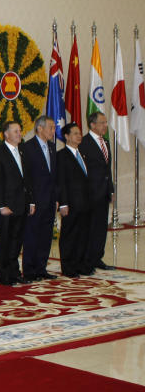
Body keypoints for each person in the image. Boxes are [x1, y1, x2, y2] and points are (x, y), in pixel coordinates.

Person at [0, 121, 35, 286]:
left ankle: (14, 272)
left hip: (22, 203)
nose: (19, 134)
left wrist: (31, 201)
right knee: (4, 241)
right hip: (7, 205)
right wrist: (1, 204)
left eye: (20, 131)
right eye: (15, 131)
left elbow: (27, 179)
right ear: (6, 134)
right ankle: (3, 275)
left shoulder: (22, 151)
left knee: (17, 241)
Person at [20, 116, 58, 281]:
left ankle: (41, 268)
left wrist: (56, 198)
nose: (53, 131)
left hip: (49, 200)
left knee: (46, 235)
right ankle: (29, 270)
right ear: (40, 129)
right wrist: (31, 200)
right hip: (35, 201)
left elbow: (54, 175)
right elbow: (27, 177)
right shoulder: (28, 148)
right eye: (50, 127)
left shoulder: (52, 147)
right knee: (32, 235)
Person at [79, 111, 115, 272]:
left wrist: (111, 190)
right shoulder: (84, 143)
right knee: (90, 227)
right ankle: (86, 259)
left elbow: (108, 169)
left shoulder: (105, 142)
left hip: (104, 192)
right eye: (102, 123)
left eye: (106, 122)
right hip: (91, 193)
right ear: (92, 125)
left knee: (101, 227)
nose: (105, 125)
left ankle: (97, 257)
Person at [56, 123, 93, 277]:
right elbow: (61, 182)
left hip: (85, 203)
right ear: (66, 136)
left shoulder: (82, 154)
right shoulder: (61, 155)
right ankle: (68, 267)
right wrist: (63, 203)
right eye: (76, 133)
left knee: (83, 234)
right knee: (69, 235)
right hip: (71, 204)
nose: (79, 136)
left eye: (80, 133)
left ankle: (80, 265)